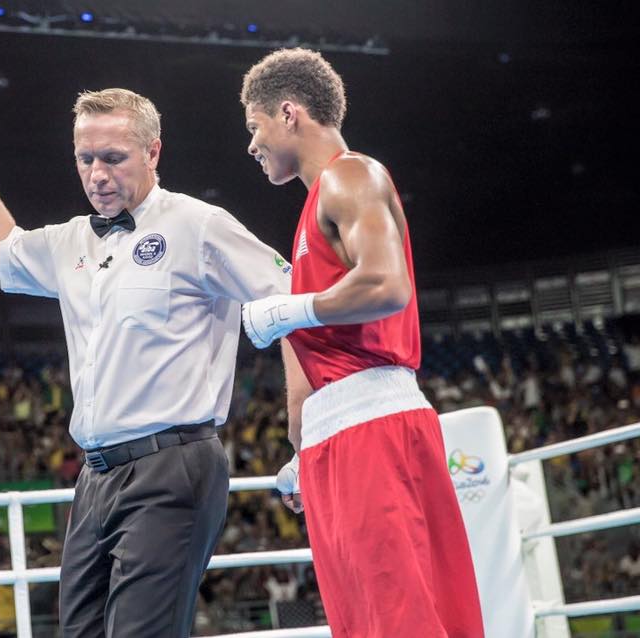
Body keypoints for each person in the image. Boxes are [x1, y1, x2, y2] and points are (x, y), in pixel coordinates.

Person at [0, 63, 290, 637]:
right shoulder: (73, 240)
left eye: (113, 158)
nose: (97, 174)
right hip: (95, 476)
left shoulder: (199, 225)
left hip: (173, 463)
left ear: (153, 152)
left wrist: (304, 434)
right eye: (85, 159)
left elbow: (294, 300)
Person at [238, 48, 485, 637]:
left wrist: (292, 307)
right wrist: (304, 449)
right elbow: (313, 355)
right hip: (337, 440)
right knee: (364, 623)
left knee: (403, 617)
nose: (251, 145)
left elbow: (386, 283)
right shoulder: (308, 214)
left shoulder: (351, 175)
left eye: (256, 126)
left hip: (374, 429)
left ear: (289, 112)